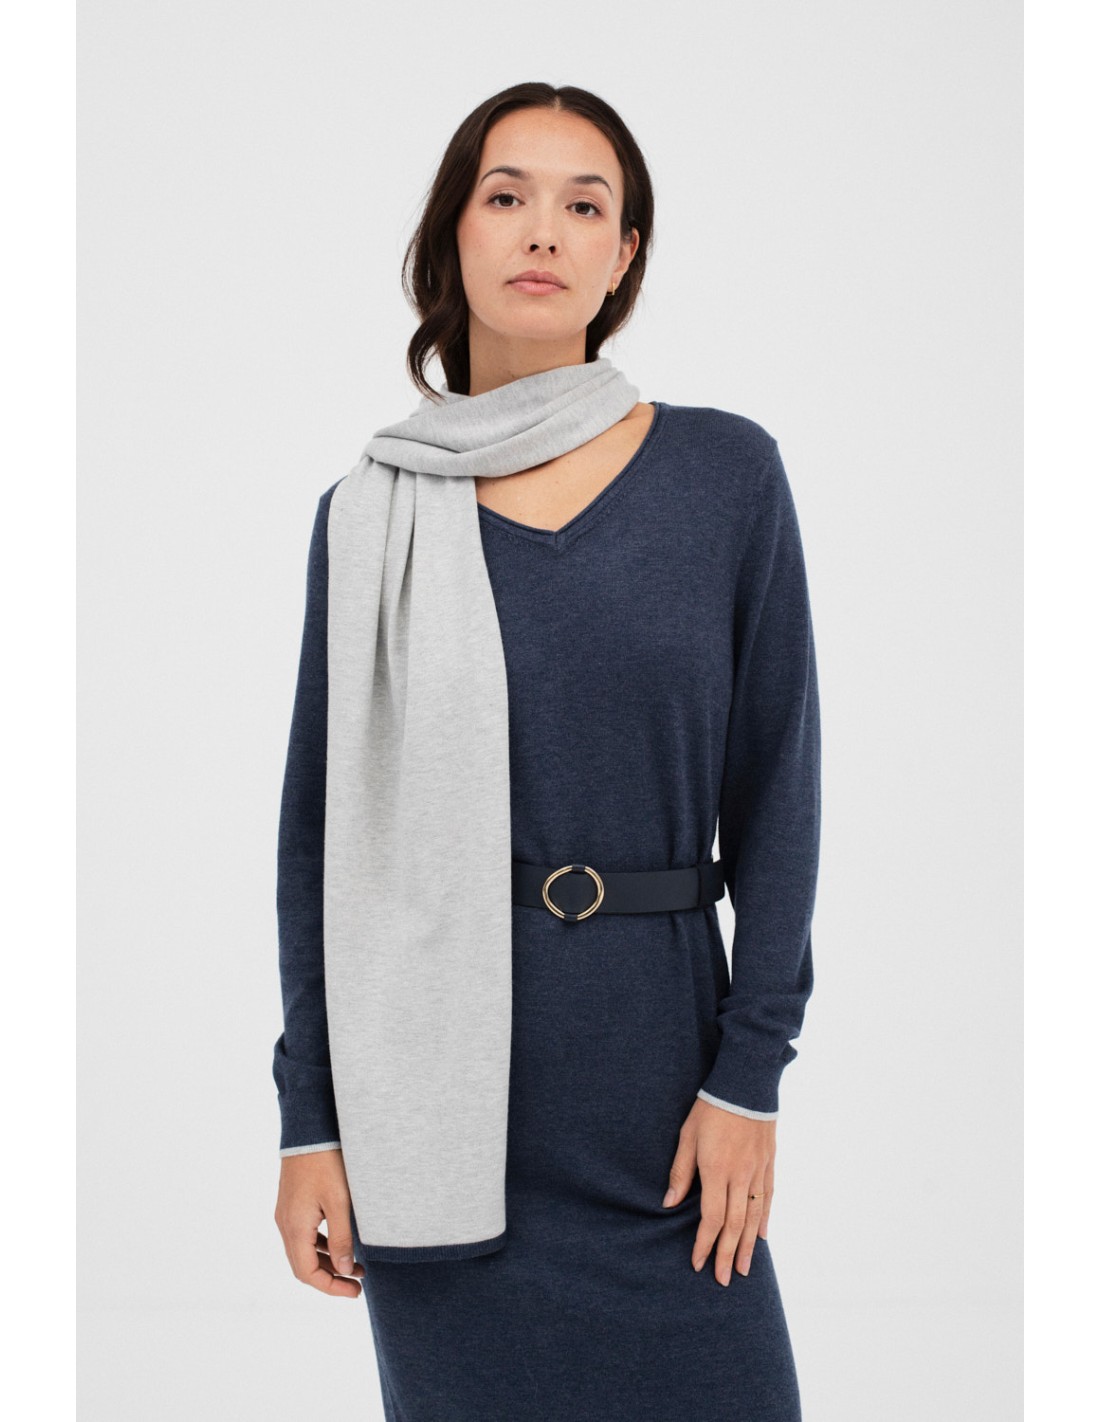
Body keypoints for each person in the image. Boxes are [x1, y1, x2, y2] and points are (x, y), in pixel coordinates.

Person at [272, 81, 821, 1422]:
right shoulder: (369, 515)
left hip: (664, 1102)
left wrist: (750, 1077)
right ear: (452, 235)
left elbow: (780, 795)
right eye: (506, 195)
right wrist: (310, 1117)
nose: (543, 231)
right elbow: (317, 844)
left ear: (623, 256)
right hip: (434, 1121)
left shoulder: (724, 476)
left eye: (586, 206)